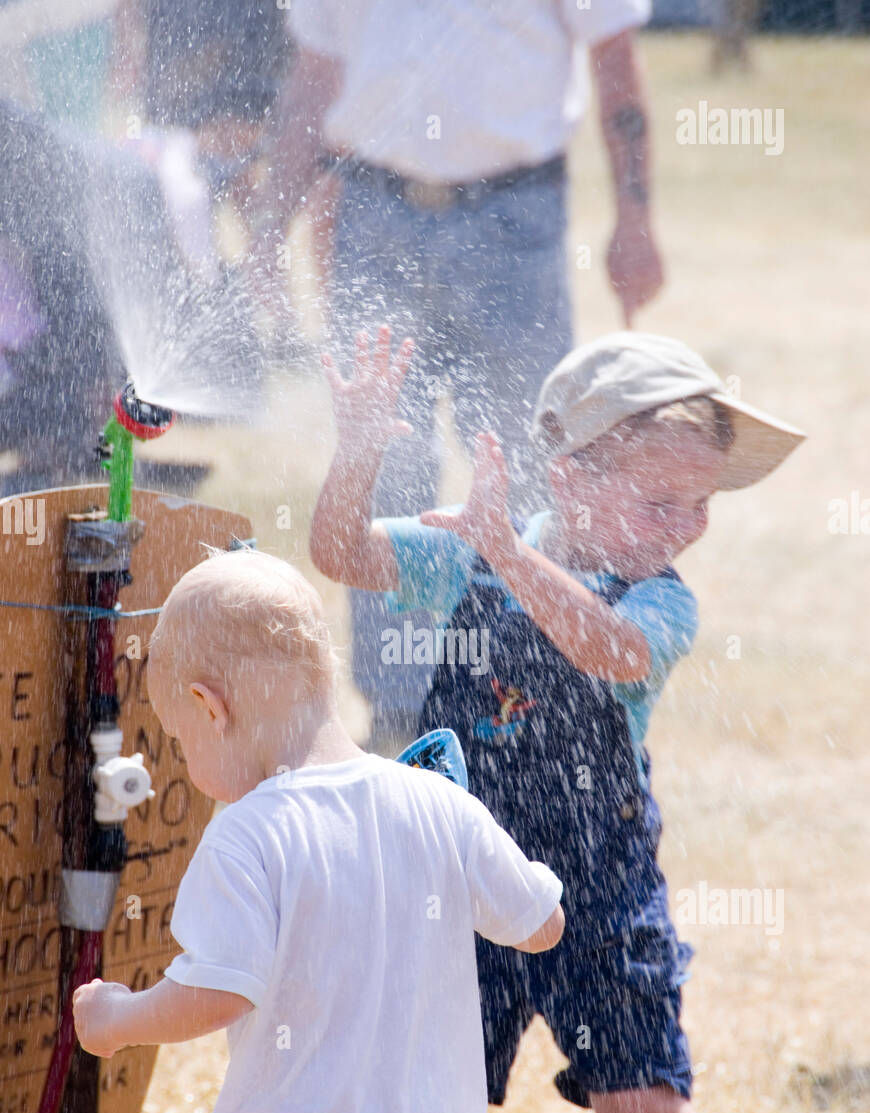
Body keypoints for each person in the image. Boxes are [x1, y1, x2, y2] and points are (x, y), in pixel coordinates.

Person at [309, 324, 805, 1113]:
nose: (688, 523)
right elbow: (339, 551)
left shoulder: (657, 599)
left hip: (600, 886)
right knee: (412, 1101)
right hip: (454, 887)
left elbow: (608, 648)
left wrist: (504, 547)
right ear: (571, 476)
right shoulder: (468, 555)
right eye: (663, 498)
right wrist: (360, 443)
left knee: (643, 1099)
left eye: (702, 501)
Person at [72, 547, 564, 1113]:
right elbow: (542, 925)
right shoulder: (438, 803)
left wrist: (118, 1018)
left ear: (211, 707)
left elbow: (218, 992)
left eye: (179, 740)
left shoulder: (247, 835)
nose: (185, 757)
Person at [250, 0, 665, 748]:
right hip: (374, 216)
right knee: (384, 466)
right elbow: (315, 76)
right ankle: (401, 720)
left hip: (517, 219)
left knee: (535, 474)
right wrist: (268, 226)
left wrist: (634, 219)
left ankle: (537, 703)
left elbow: (615, 67)